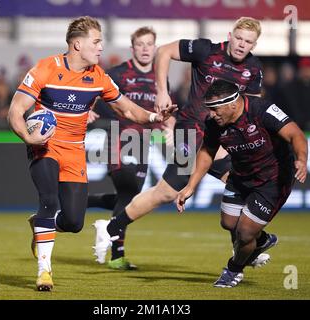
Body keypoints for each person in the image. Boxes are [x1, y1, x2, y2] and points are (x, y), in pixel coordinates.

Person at [8, 16, 174, 291]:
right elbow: (15, 110)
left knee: (73, 222)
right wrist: (28, 137)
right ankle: (44, 272)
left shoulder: (98, 76)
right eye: (96, 42)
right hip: (45, 146)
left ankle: (39, 225)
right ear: (77, 44)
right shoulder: (46, 69)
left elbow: (128, 110)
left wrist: (156, 117)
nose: (101, 48)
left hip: (74, 151)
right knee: (48, 200)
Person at [93, 17, 270, 267]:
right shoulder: (205, 50)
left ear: (254, 44)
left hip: (221, 136)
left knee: (164, 192)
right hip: (191, 130)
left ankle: (111, 225)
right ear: (230, 35)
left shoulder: (254, 68)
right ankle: (246, 245)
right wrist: (162, 91)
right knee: (238, 182)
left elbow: (250, 106)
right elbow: (164, 51)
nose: (242, 45)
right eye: (239, 38)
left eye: (248, 42)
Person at [176, 80, 308, 287]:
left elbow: (295, 134)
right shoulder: (214, 123)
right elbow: (207, 152)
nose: (211, 114)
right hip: (240, 176)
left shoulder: (262, 110)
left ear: (233, 104)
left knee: (245, 233)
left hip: (272, 181)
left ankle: (233, 270)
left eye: (215, 109)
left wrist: (301, 159)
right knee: (228, 223)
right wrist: (191, 186)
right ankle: (263, 240)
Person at [87, 26, 174, 270]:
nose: (145, 49)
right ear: (132, 47)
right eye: (140, 44)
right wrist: (87, 109)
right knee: (128, 193)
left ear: (155, 47)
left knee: (131, 198)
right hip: (120, 138)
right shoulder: (119, 72)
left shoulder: (160, 78)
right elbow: (93, 87)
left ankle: (87, 201)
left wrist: (168, 128)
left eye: (149, 44)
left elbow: (162, 112)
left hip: (144, 143)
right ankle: (117, 255)